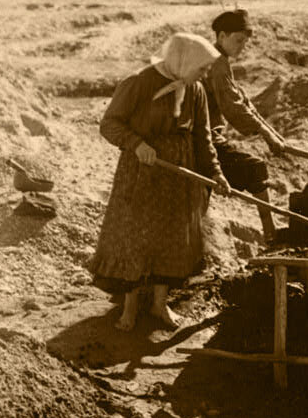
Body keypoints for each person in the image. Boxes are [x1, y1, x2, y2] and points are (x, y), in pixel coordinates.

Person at [90, 33, 231, 331]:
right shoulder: (139, 82)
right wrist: (136, 144)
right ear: (184, 60)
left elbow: (203, 138)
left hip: (178, 177)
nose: (204, 74)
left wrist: (216, 173)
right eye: (202, 68)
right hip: (142, 172)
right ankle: (128, 310)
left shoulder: (196, 90)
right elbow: (109, 124)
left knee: (171, 239)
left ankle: (159, 305)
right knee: (137, 235)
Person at [205, 9, 286, 240]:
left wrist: (270, 132)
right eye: (238, 40)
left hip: (208, 133)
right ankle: (270, 233)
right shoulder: (216, 64)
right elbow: (234, 107)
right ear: (221, 36)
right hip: (203, 137)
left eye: (245, 42)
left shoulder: (220, 61)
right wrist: (267, 135)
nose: (242, 46)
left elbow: (242, 99)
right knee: (255, 168)